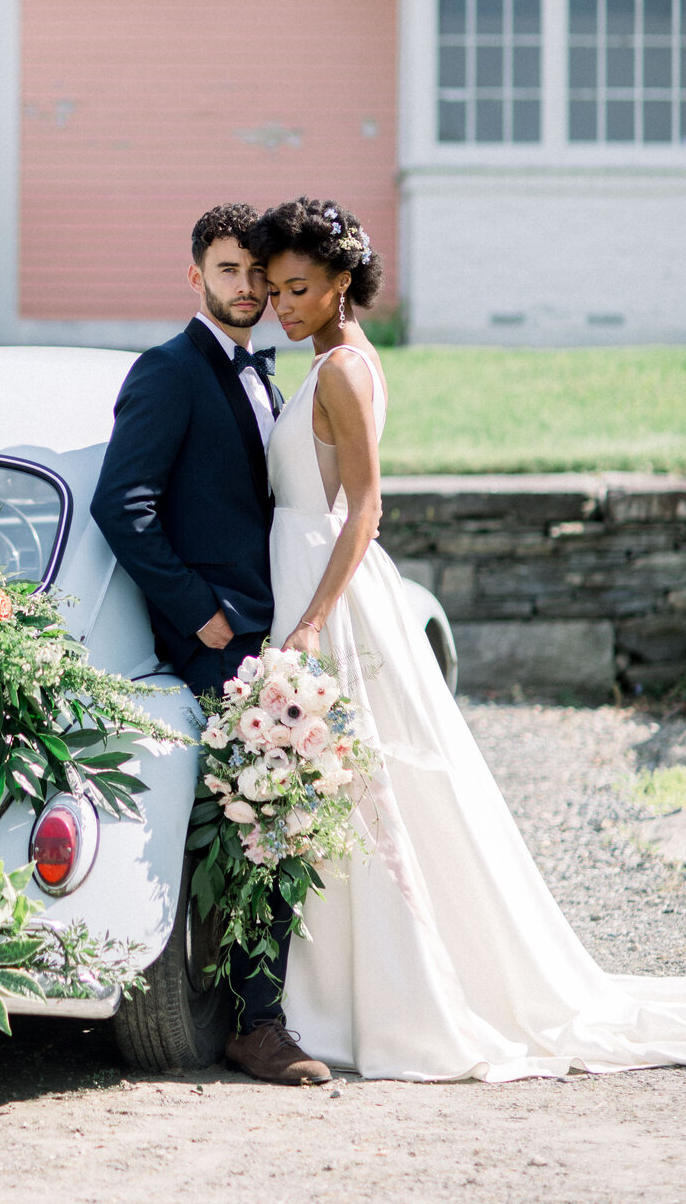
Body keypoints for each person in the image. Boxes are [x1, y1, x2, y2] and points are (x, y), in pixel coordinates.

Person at [251, 194, 686, 1080]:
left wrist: (311, 621)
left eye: (299, 288)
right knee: (347, 791)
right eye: (275, 289)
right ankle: (336, 985)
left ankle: (390, 991)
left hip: (328, 589)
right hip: (304, 569)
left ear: (341, 282)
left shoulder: (342, 371)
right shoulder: (331, 360)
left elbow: (365, 509)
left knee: (364, 788)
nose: (282, 305)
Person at [91, 203, 331, 1085]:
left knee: (270, 821)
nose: (249, 289)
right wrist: (203, 615)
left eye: (259, 276)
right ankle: (254, 1025)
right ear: (195, 275)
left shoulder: (261, 374)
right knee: (254, 823)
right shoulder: (169, 371)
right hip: (216, 641)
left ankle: (262, 1011)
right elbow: (124, 504)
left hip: (270, 632)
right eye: (229, 271)